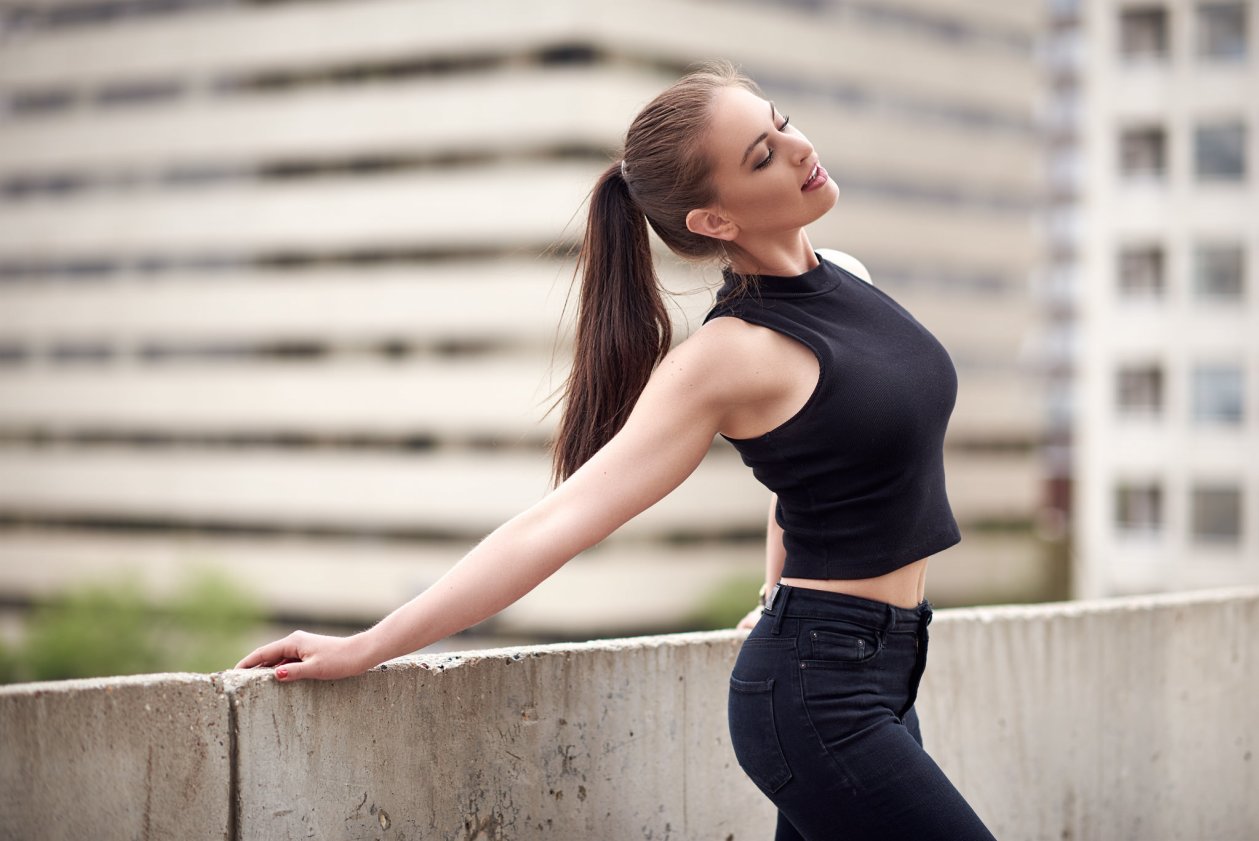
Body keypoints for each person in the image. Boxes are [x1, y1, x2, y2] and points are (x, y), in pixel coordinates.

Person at [236, 60, 997, 840]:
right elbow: (556, 523)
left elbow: (811, 472)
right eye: (762, 156)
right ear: (713, 221)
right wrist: (367, 645)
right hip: (816, 689)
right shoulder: (725, 356)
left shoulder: (847, 276)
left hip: (887, 663)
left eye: (781, 121)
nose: (799, 148)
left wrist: (774, 588)